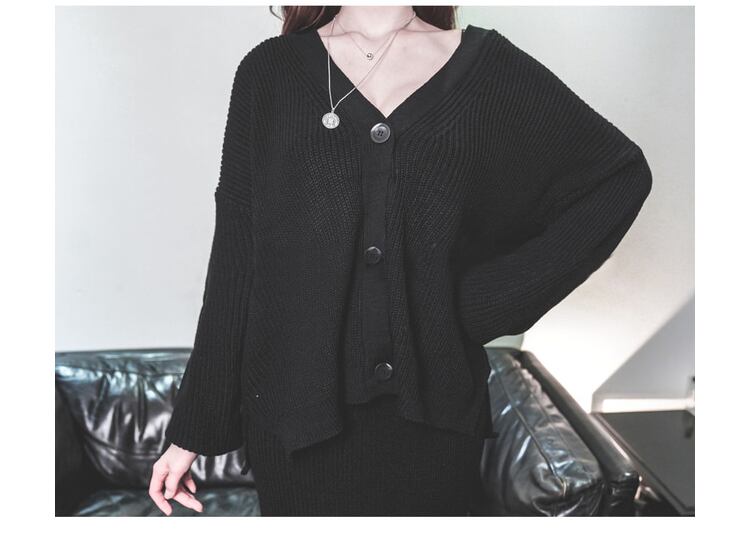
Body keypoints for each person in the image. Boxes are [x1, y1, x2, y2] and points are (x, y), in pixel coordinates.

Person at [149, 5, 652, 516]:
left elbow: (618, 177)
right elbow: (237, 257)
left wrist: (485, 304)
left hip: (433, 425)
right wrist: (193, 429)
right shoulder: (270, 72)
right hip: (296, 425)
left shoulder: (489, 70)